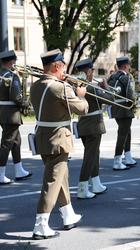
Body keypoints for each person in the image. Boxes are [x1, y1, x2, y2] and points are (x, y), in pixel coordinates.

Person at [30, 49, 89, 239]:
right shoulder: (60, 88)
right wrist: (80, 94)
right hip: (59, 140)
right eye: (63, 65)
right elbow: (82, 109)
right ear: (56, 66)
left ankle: (68, 214)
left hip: (43, 138)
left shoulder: (37, 85)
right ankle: (41, 224)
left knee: (60, 177)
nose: (64, 69)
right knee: (53, 181)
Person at [74, 59, 114, 199]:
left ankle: (96, 183)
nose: (92, 74)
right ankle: (82, 187)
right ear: (89, 71)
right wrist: (106, 86)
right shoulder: (91, 88)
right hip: (93, 126)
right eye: (92, 71)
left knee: (94, 154)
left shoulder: (77, 87)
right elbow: (110, 100)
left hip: (84, 125)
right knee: (90, 157)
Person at [0, 50, 31, 184]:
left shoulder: (1, 74)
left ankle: (19, 170)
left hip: (2, 112)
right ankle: (0, 174)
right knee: (6, 143)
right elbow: (16, 97)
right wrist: (27, 104)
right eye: (14, 61)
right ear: (11, 62)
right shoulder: (12, 76)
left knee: (16, 141)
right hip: (11, 114)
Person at [108, 56, 137, 170]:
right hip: (125, 109)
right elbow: (130, 94)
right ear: (125, 66)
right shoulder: (127, 77)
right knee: (122, 134)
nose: (129, 67)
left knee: (126, 132)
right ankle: (117, 160)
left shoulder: (112, 76)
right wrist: (134, 103)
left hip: (116, 108)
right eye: (129, 65)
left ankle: (128, 156)